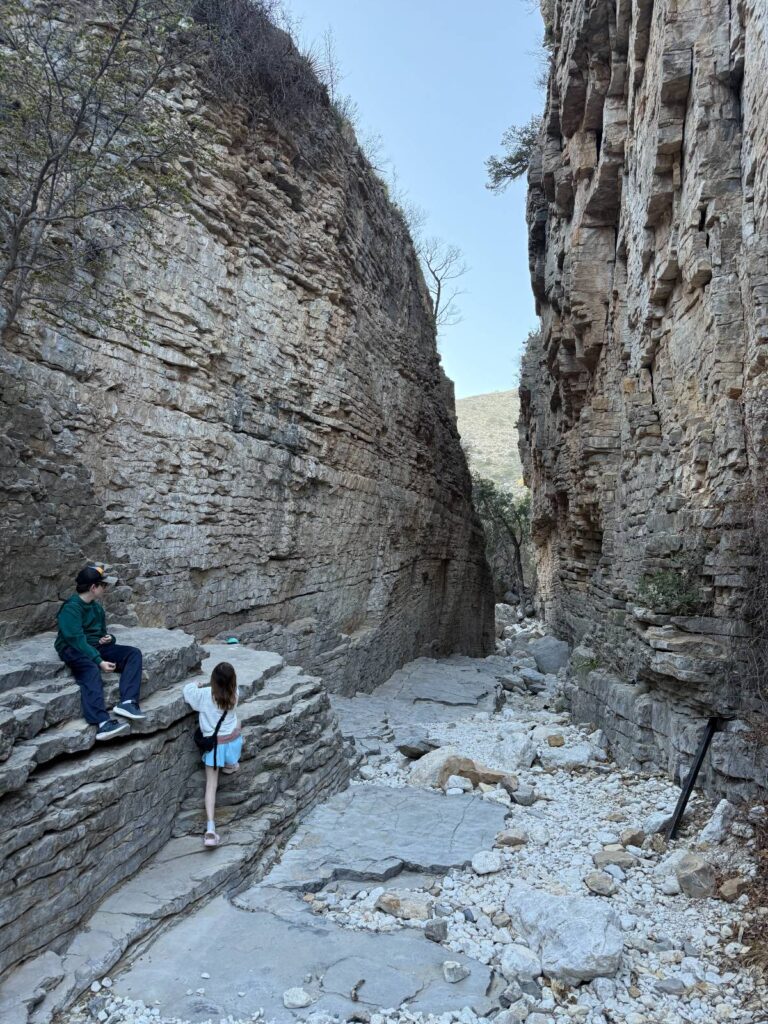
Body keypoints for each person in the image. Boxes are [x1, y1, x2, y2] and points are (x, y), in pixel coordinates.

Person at [55, 564, 146, 740]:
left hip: (94, 646)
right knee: (90, 669)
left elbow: (101, 633)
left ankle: (127, 702)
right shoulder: (71, 608)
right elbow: (76, 640)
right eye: (103, 585)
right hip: (71, 648)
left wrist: (109, 638)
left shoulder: (96, 608)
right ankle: (102, 723)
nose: (106, 588)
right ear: (93, 587)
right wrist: (99, 661)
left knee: (133, 654)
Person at [183, 662, 241, 848]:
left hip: (214, 748)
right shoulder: (235, 694)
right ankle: (231, 764)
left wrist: (196, 684)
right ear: (233, 681)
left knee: (211, 785)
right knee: (237, 725)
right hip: (231, 744)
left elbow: (187, 691)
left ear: (213, 680)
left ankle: (210, 828)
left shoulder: (204, 695)